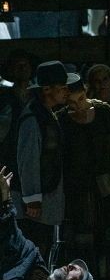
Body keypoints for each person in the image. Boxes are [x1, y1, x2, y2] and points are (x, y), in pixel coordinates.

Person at [60, 79, 110, 280]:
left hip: (102, 189)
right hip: (76, 192)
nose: (78, 106)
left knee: (103, 247)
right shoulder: (62, 119)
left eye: (81, 99)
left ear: (86, 92)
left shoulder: (103, 112)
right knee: (79, 250)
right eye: (72, 102)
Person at [12, 61, 77, 264]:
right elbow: (27, 159)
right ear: (47, 89)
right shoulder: (33, 117)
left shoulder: (46, 114)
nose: (67, 92)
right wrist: (32, 199)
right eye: (62, 87)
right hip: (33, 207)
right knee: (34, 254)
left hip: (45, 198)